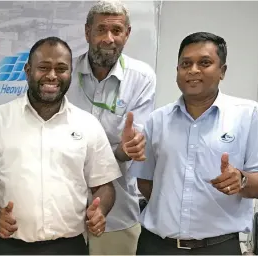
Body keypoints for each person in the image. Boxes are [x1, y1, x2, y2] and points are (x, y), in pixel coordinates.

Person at [132, 32, 258, 255]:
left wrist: (241, 179)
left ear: (222, 71)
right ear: (178, 71)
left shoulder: (250, 116)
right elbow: (146, 182)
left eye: (205, 63)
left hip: (218, 247)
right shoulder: (158, 120)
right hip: (157, 246)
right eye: (185, 64)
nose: (193, 70)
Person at [0, 37, 121, 254]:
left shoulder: (88, 124)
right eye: (43, 67)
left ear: (70, 73)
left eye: (61, 69)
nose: (52, 76)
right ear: (27, 70)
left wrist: (100, 210)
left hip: (68, 247)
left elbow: (104, 185)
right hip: (4, 246)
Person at [65, 1, 156, 254]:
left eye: (116, 31)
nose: (108, 38)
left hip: (116, 213)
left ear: (127, 34)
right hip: (62, 208)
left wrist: (127, 149)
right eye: (101, 30)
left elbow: (131, 147)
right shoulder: (64, 73)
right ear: (87, 32)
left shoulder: (141, 77)